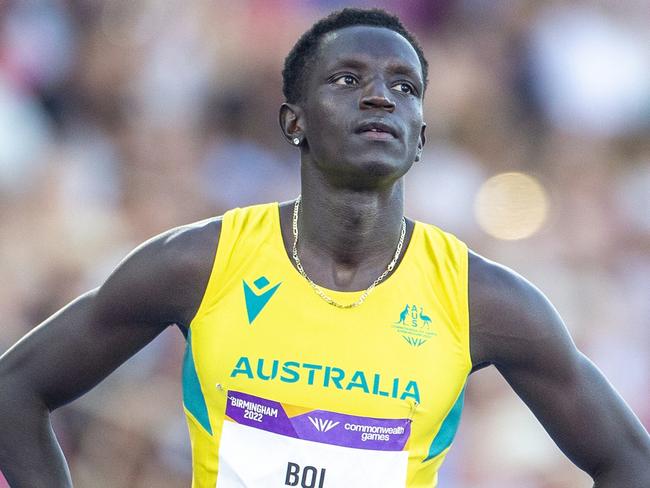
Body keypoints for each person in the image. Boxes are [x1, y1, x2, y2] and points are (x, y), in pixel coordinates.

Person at [0, 8, 648, 488]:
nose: (379, 96)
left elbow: (627, 460)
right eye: (346, 79)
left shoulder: (482, 301)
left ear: (421, 136)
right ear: (294, 121)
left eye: (406, 87)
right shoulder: (202, 264)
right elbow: (16, 390)